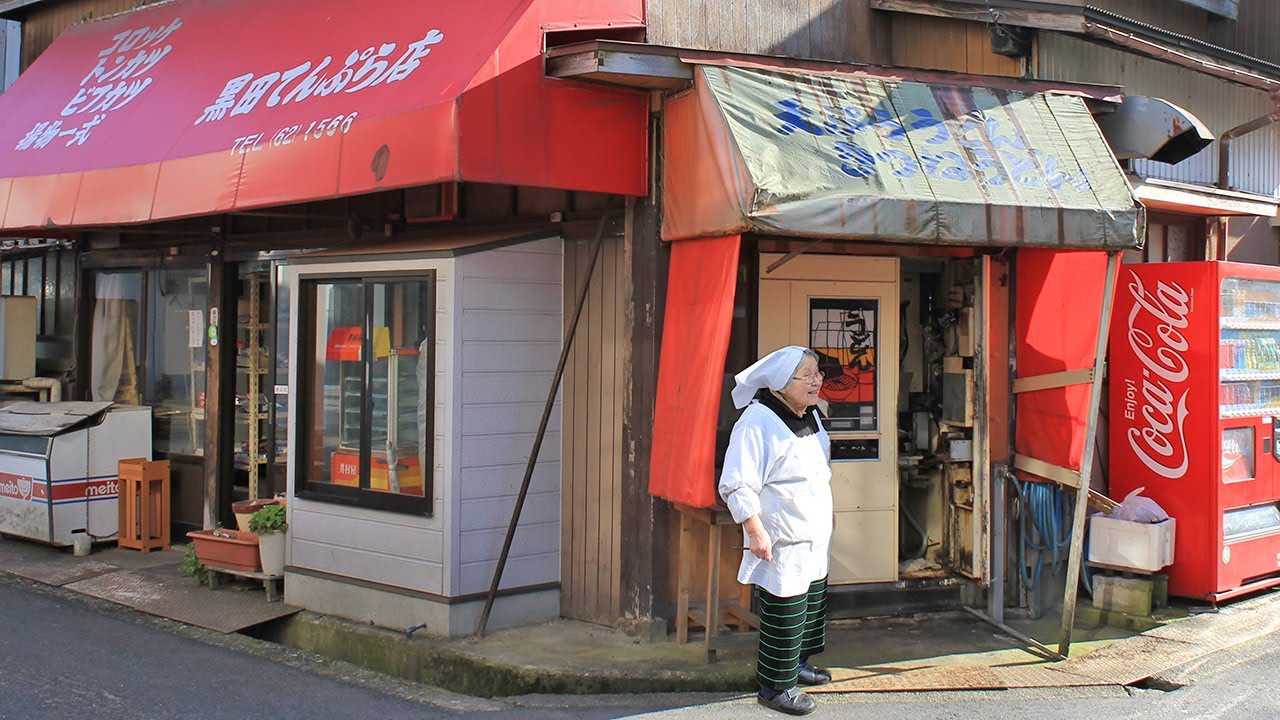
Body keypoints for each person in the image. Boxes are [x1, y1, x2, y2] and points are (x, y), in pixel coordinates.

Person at [719, 345, 834, 716]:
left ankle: (796, 665)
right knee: (786, 607)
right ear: (783, 384)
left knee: (811, 602)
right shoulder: (757, 422)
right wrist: (754, 531)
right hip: (781, 533)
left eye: (818, 372)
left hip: (812, 530)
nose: (818, 380)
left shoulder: (810, 414)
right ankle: (774, 686)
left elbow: (817, 469)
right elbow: (737, 483)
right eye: (808, 375)